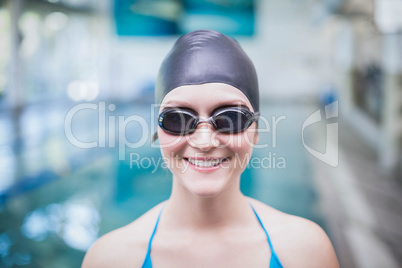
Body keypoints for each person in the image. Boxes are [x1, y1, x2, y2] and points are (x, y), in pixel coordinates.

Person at [82, 30, 339, 268]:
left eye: (230, 118)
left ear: (256, 130)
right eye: (178, 119)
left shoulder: (305, 251)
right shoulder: (110, 258)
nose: (204, 142)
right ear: (158, 132)